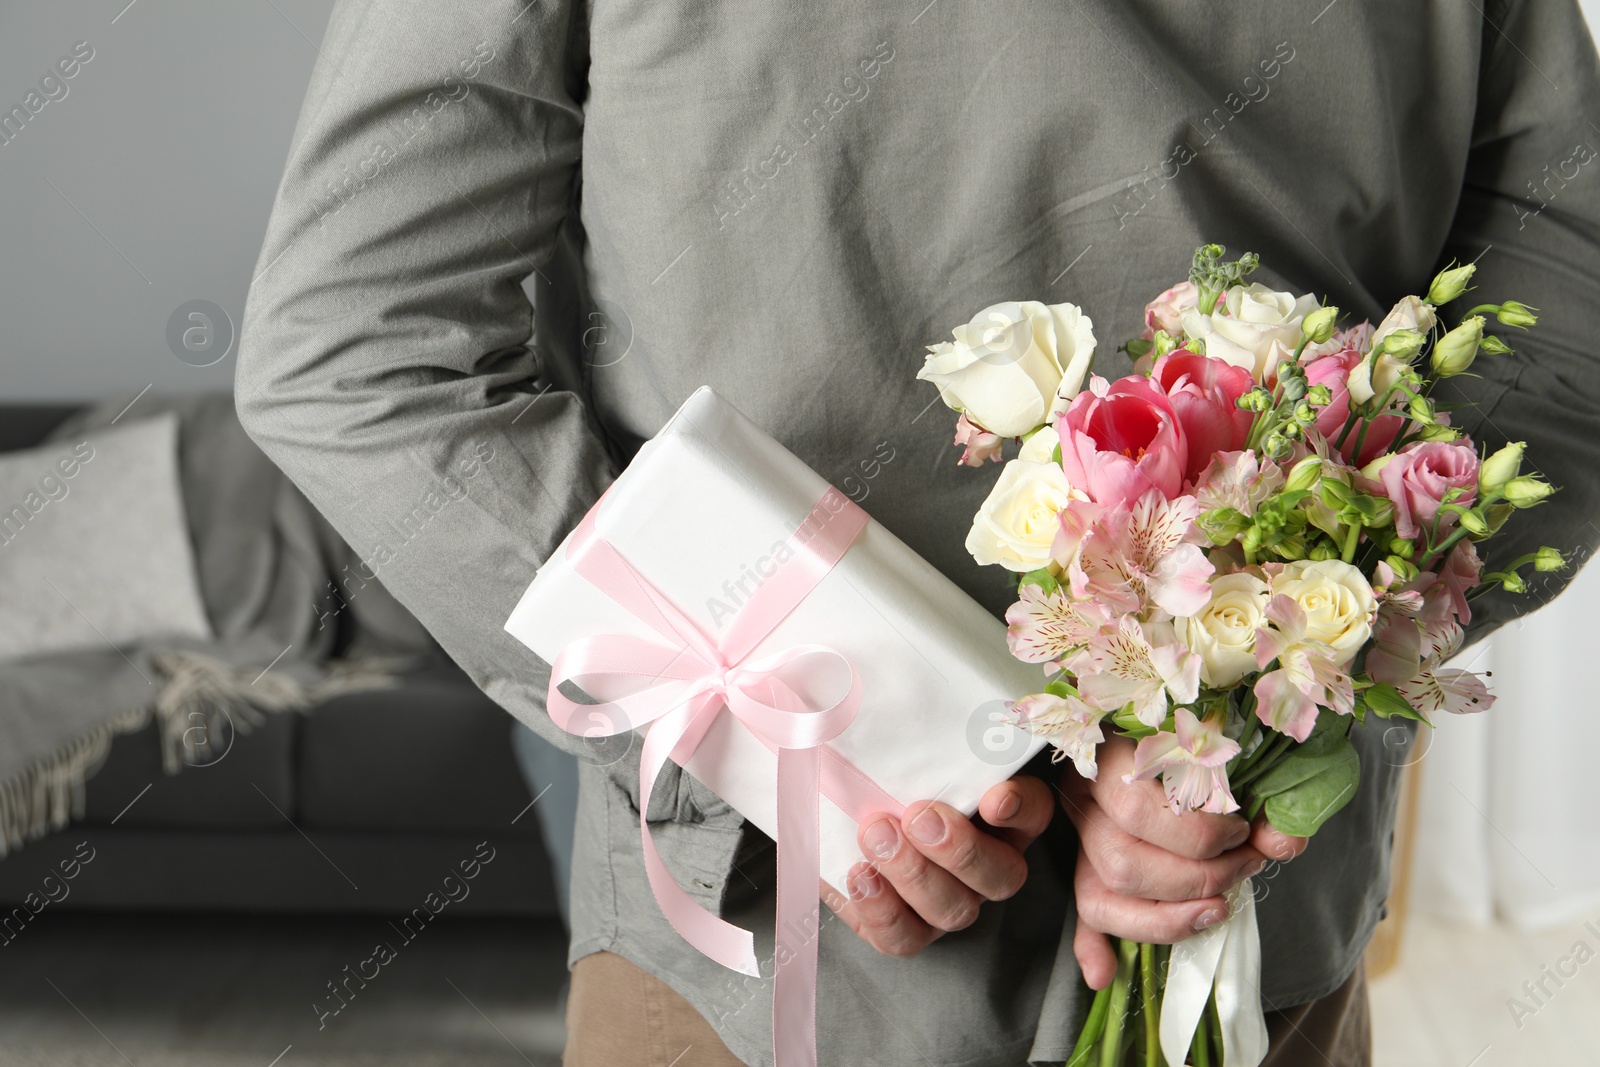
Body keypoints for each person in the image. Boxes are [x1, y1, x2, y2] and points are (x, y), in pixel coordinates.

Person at [236, 2, 1600, 1064]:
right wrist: (1248, 707)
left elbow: (356, 349)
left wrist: (818, 755)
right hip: (1100, 942)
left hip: (1031, 946)